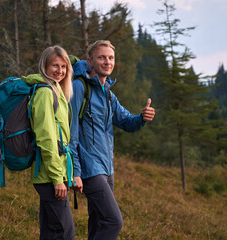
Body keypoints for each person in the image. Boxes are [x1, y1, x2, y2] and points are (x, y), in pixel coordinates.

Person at [69, 40, 155, 239]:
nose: (107, 62)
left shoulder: (108, 93)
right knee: (113, 221)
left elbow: (126, 121)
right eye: (102, 57)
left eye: (111, 58)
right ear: (90, 61)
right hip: (90, 168)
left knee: (98, 222)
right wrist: (75, 171)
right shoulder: (79, 88)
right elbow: (71, 133)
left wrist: (142, 117)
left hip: (108, 169)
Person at [22, 45, 79, 240]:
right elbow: (46, 138)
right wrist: (57, 178)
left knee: (50, 231)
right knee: (65, 233)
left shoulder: (56, 90)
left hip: (52, 172)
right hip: (48, 175)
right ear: (44, 66)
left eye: (64, 67)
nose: (60, 71)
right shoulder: (46, 93)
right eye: (55, 65)